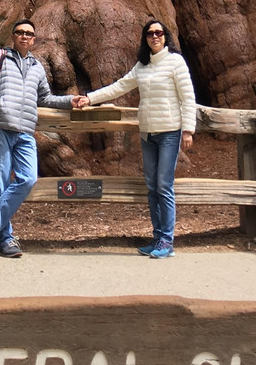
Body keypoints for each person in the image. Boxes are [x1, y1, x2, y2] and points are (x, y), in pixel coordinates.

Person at [78, 18, 196, 258]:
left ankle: (167, 240)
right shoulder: (142, 66)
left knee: (164, 185)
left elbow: (188, 97)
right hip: (147, 134)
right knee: (152, 187)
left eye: (159, 33)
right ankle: (157, 238)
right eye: (150, 33)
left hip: (170, 133)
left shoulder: (175, 62)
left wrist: (188, 130)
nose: (155, 37)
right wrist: (90, 98)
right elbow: (119, 87)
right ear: (145, 38)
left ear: (166, 37)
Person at [0, 19, 76, 258]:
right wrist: (0, 106)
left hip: (26, 132)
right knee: (0, 184)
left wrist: (70, 101)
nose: (24, 36)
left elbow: (45, 98)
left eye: (29, 34)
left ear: (34, 39)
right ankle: (6, 240)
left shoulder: (37, 66)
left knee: (28, 179)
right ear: (13, 36)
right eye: (19, 32)